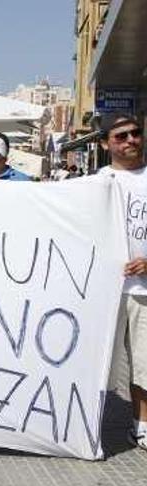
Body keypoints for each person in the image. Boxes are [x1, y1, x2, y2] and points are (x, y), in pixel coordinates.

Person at [97, 113, 147, 450]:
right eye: (121, 136)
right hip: (104, 291)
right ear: (105, 144)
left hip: (143, 291)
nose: (130, 140)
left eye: (135, 133)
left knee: (144, 363)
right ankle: (84, 424)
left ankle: (141, 426)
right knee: (97, 362)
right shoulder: (97, 182)